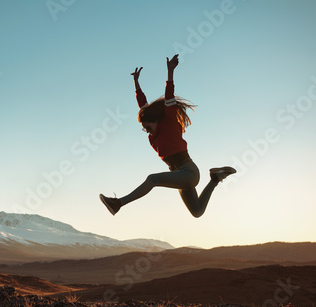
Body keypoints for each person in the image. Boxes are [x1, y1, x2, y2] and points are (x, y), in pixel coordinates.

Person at [99, 54, 236, 217]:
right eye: (144, 129)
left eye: (148, 127)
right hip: (177, 175)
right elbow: (143, 106)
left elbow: (169, 95)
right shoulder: (153, 134)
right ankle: (215, 178)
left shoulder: (169, 122)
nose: (147, 131)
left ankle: (118, 203)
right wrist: (136, 84)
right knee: (197, 211)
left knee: (152, 180)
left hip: (189, 172)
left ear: (157, 120)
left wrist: (170, 71)